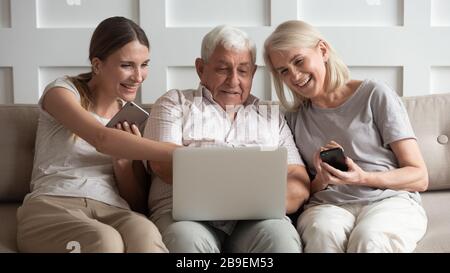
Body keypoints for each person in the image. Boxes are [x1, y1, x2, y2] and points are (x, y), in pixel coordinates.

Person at [263, 20, 428, 253]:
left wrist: (362, 178)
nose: (295, 76)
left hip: (388, 201)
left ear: (323, 50)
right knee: (322, 233)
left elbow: (419, 177)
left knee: (369, 238)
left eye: (299, 61)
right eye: (284, 71)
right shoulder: (293, 118)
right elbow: (303, 190)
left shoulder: (374, 94)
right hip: (328, 206)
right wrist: (321, 178)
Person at [144, 25, 310, 253]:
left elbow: (297, 179)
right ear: (201, 69)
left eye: (243, 71)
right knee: (185, 241)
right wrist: (247, 189)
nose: (233, 81)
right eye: (223, 69)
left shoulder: (270, 114)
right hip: (184, 219)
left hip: (255, 220)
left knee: (281, 238)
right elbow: (163, 164)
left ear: (253, 72)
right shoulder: (175, 103)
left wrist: (256, 202)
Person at [16, 16, 175, 253]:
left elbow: (136, 202)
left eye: (144, 64)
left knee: (146, 233)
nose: (138, 76)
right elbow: (101, 138)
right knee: (105, 240)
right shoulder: (61, 92)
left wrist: (122, 165)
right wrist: (184, 152)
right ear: (98, 65)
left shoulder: (131, 119)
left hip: (112, 209)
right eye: (127, 65)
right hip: (54, 205)